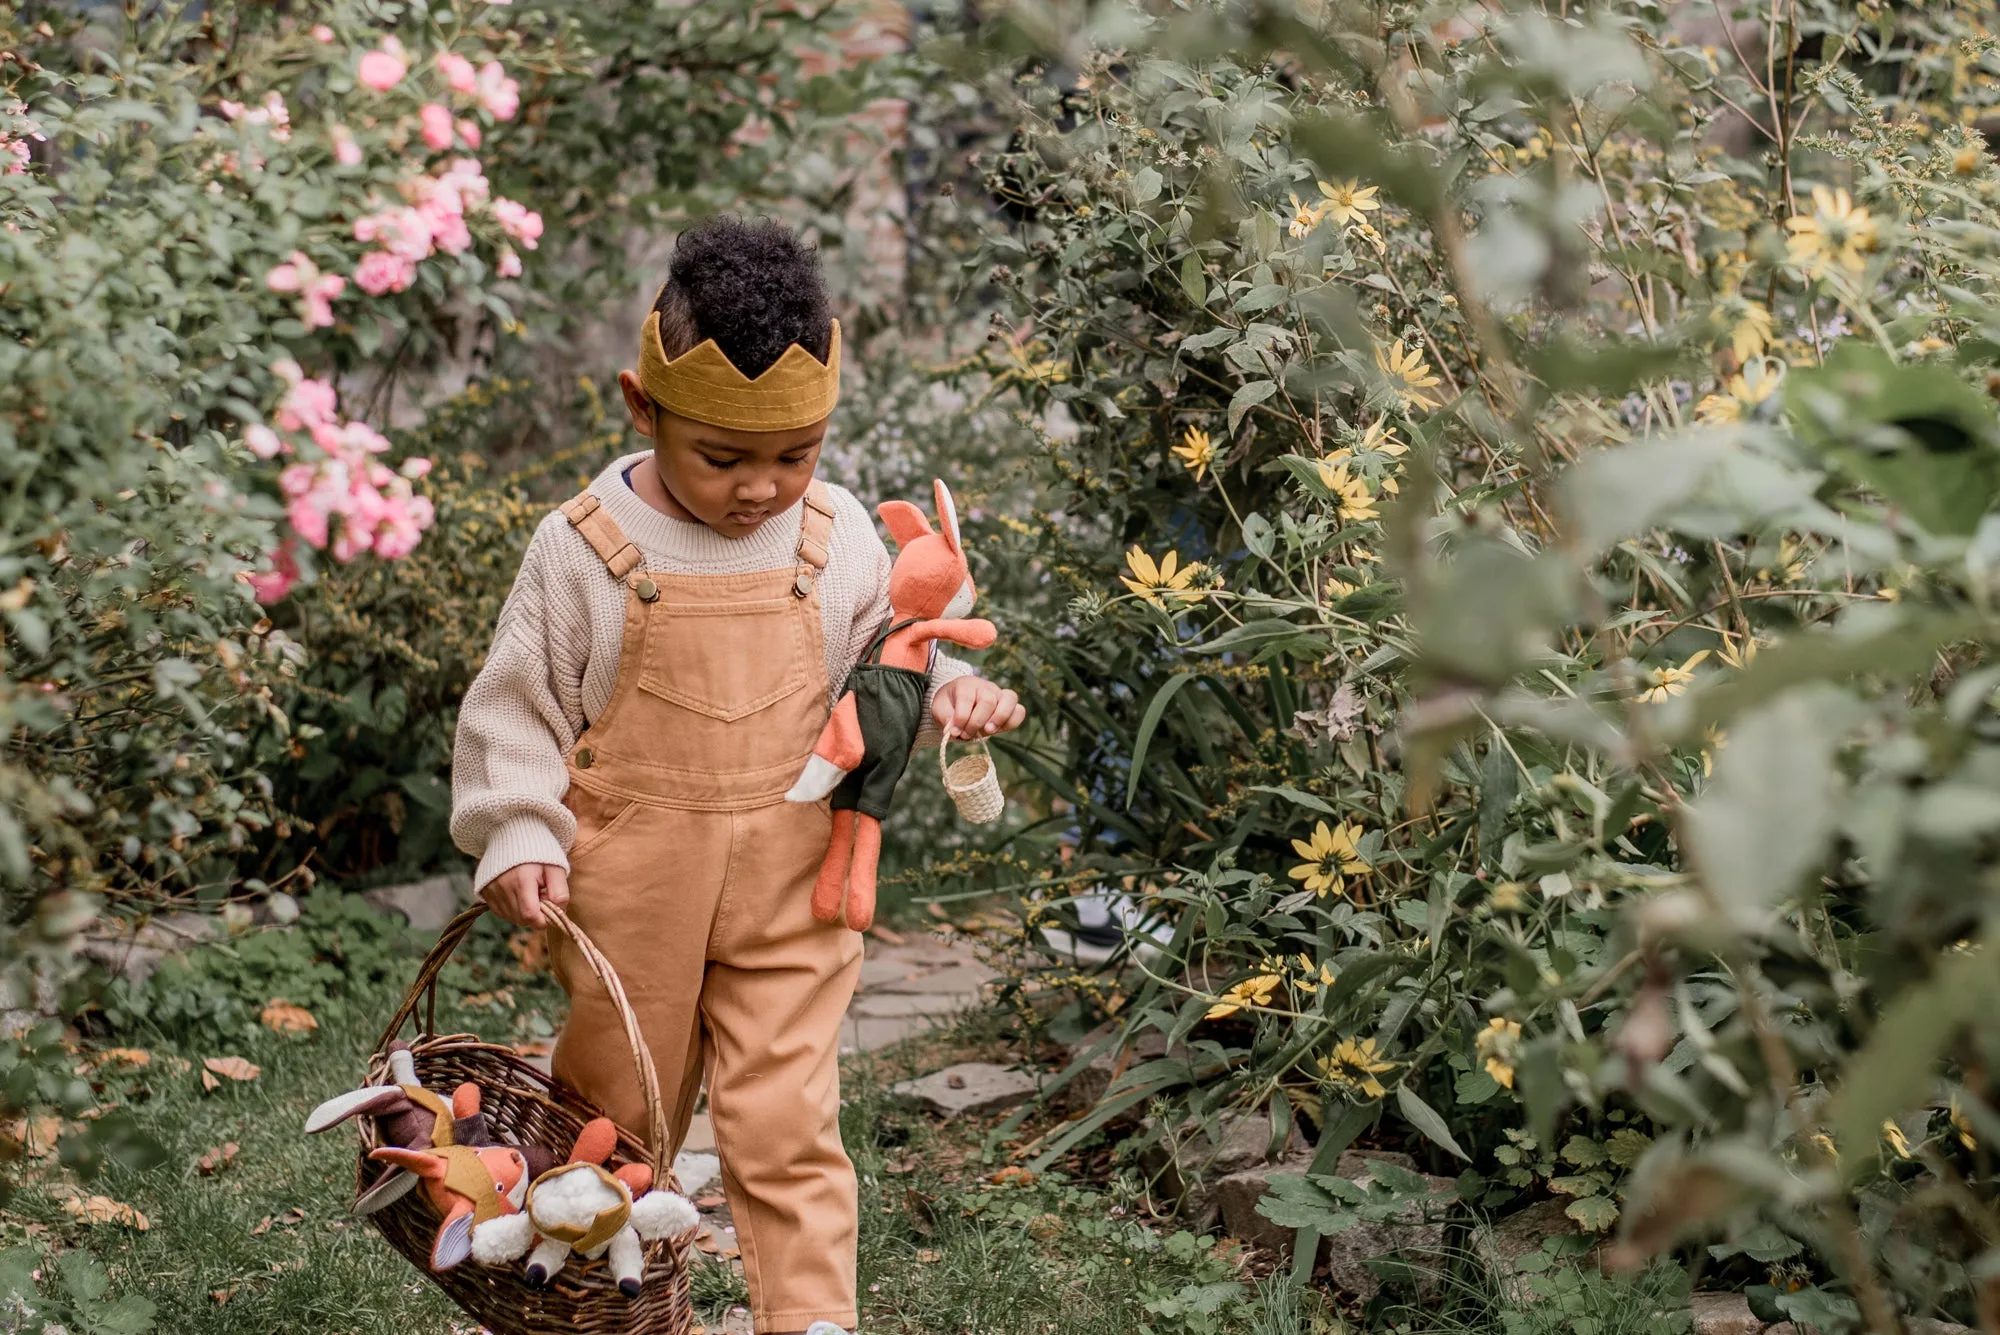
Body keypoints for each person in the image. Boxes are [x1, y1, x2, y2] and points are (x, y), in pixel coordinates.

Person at [448, 216, 1026, 1335]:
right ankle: (594, 1305)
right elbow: (514, 709)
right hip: (631, 884)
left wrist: (945, 686)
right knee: (614, 1115)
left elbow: (885, 653)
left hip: (794, 877)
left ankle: (812, 1319)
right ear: (640, 406)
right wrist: (520, 828)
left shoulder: (838, 533)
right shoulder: (582, 549)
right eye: (722, 457)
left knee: (789, 1120)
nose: (760, 489)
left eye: (792, 455)